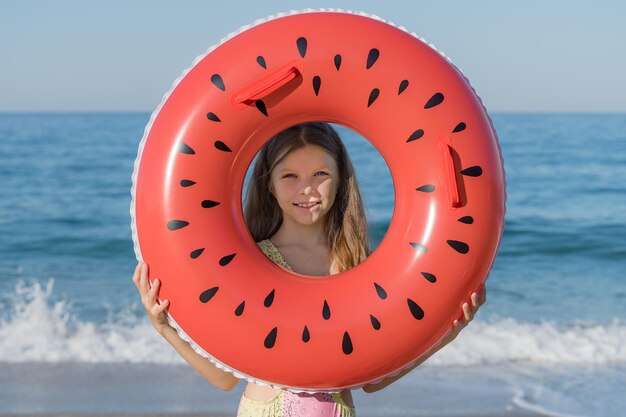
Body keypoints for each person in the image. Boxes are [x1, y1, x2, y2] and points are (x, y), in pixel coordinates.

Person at [132, 122, 486, 416]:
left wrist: (446, 334)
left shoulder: (360, 265)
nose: (307, 189)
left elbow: (374, 379)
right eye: (289, 175)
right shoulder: (251, 262)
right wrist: (164, 327)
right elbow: (226, 378)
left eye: (320, 173)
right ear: (269, 184)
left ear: (341, 177)